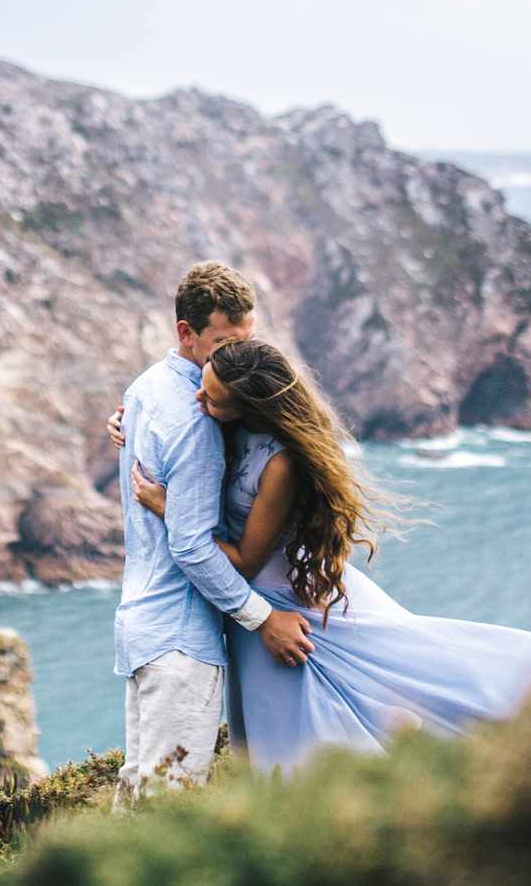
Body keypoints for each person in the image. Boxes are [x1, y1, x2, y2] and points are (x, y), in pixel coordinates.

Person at [120, 335, 531, 775]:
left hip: (279, 605)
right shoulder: (231, 427)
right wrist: (130, 422)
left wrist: (170, 509)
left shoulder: (280, 462)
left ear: (249, 405)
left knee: (303, 737)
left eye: (211, 399)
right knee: (284, 738)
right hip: (255, 608)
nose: (198, 402)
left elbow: (246, 560)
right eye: (202, 387)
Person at [112, 263, 316, 804]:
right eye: (225, 344)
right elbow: (191, 546)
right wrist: (264, 618)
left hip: (142, 624)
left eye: (246, 341)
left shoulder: (144, 388)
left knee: (136, 799)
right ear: (187, 332)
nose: (237, 356)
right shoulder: (199, 420)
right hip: (181, 640)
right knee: (169, 807)